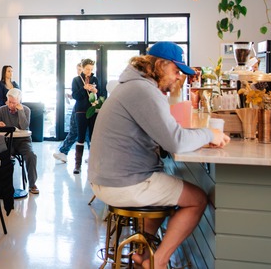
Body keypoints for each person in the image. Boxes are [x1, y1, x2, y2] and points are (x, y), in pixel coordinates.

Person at [89, 42, 230, 269]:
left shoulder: (134, 86)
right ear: (161, 65)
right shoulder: (144, 90)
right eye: (176, 71)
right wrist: (208, 134)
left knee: (165, 190)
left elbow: (167, 135)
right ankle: (158, 262)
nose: (177, 79)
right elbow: (175, 141)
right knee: (197, 200)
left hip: (108, 179)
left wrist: (200, 136)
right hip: (124, 183)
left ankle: (143, 255)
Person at [0, 88, 40, 194]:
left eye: (14, 102)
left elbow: (24, 126)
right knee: (0, 154)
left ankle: (32, 184)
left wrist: (20, 111)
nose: (11, 105)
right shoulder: (2, 110)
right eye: (9, 102)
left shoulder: (26, 110)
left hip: (23, 141)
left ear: (19, 102)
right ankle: (1, 185)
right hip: (7, 141)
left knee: (31, 156)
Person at [71, 58, 104, 174]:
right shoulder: (76, 80)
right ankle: (77, 165)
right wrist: (83, 88)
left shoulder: (95, 79)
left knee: (93, 137)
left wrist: (95, 91)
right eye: (87, 69)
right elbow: (75, 96)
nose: (89, 71)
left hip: (93, 110)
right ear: (83, 68)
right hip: (80, 111)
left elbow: (101, 94)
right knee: (80, 137)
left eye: (91, 69)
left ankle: (93, 164)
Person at [54, 62, 82, 164]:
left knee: (86, 133)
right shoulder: (76, 80)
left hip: (84, 109)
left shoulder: (89, 81)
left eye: (80, 69)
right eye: (77, 69)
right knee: (74, 130)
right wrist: (72, 96)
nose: (78, 72)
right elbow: (77, 95)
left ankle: (64, 152)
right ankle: (63, 152)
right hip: (78, 107)